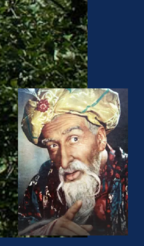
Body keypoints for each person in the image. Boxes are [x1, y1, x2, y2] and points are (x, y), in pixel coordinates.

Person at [18, 88, 128, 236]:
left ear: (100, 138)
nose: (63, 162)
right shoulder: (42, 183)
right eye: (53, 145)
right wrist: (43, 231)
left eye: (74, 139)